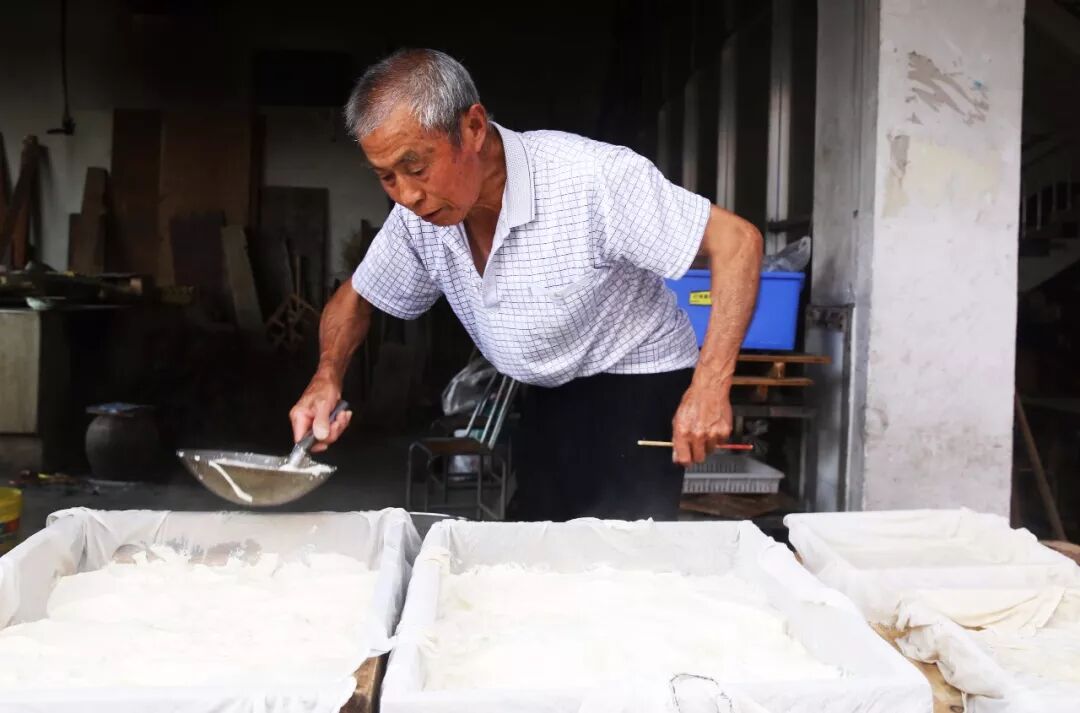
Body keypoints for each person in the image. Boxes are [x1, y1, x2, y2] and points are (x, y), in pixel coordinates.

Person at [290, 48, 762, 521]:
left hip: (636, 383)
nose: (407, 195)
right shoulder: (418, 217)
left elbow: (738, 243)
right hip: (544, 386)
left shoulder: (589, 177)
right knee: (535, 532)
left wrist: (710, 387)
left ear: (473, 127)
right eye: (386, 177)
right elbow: (357, 297)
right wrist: (325, 377)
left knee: (620, 545)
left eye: (416, 168)